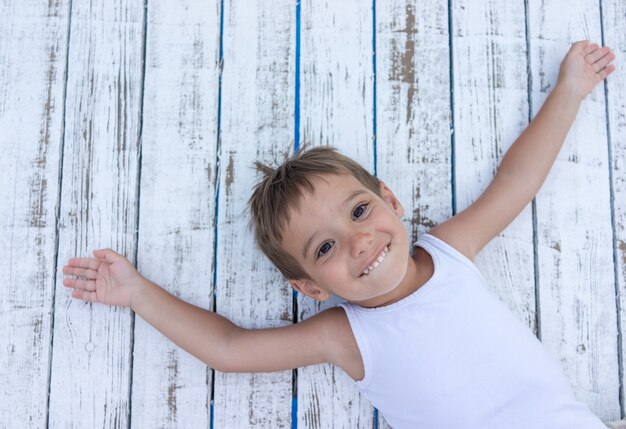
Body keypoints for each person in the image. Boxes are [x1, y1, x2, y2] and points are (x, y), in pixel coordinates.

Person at [63, 41, 619, 428]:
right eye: (324, 248)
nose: (359, 242)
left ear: (390, 201)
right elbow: (228, 348)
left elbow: (517, 181)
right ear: (309, 287)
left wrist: (570, 89)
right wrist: (136, 292)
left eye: (358, 211)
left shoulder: (449, 252)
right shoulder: (347, 335)